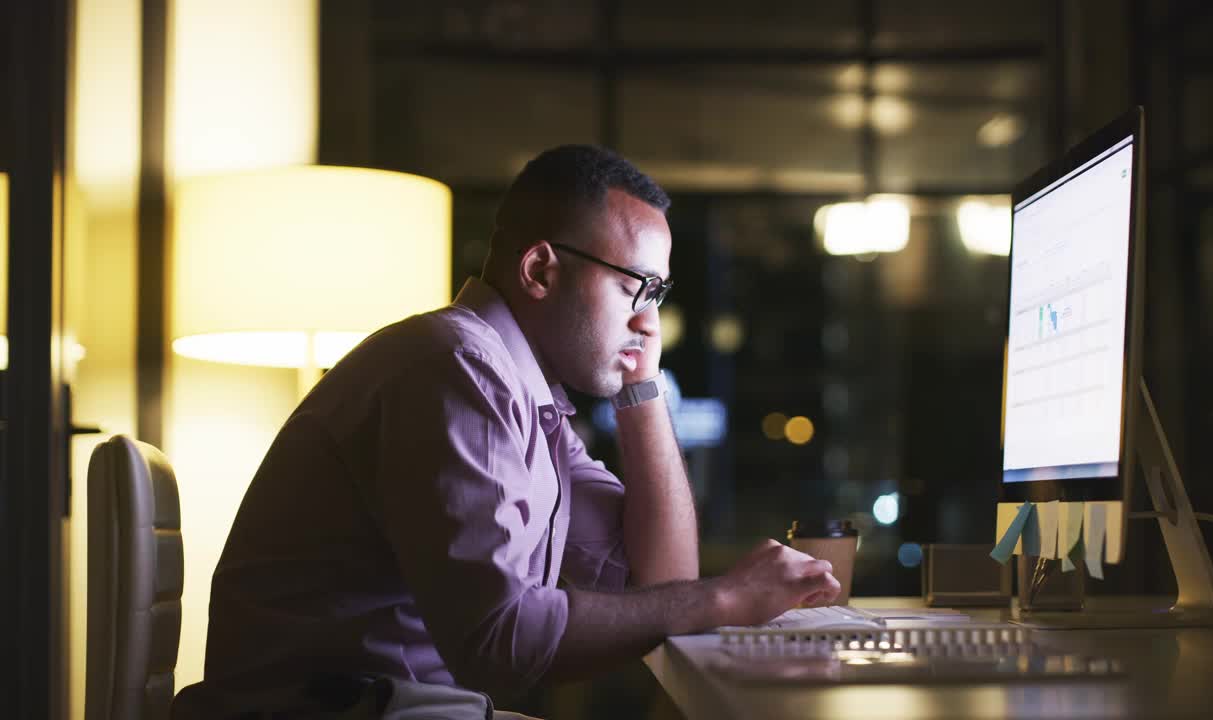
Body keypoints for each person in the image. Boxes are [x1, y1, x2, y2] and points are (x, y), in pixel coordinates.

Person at [172, 145, 840, 719]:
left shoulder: (525, 394)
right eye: (636, 287)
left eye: (657, 296)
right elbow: (500, 644)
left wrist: (640, 387)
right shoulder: (457, 369)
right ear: (540, 270)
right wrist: (725, 598)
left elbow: (657, 579)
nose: (648, 321)